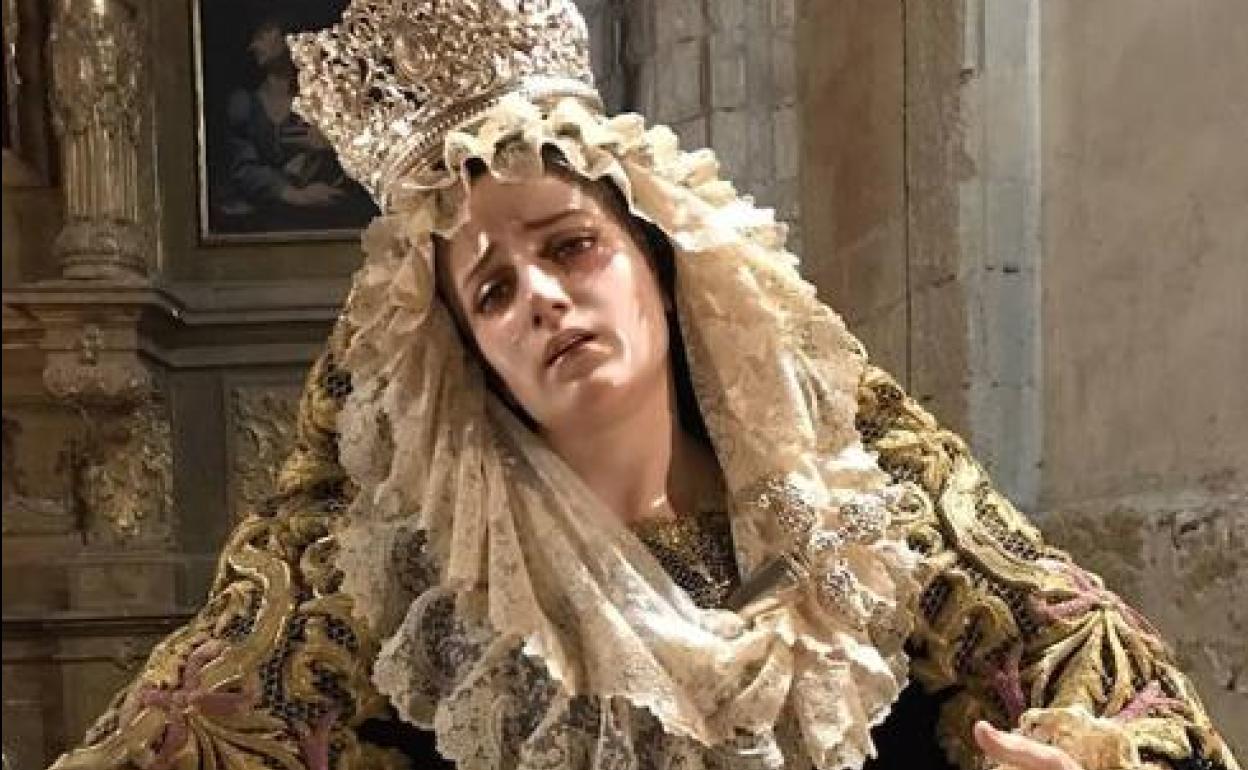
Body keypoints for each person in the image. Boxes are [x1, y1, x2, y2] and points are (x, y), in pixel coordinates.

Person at [50, 3, 1240, 770]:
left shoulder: (869, 510)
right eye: (493, 290)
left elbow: (1123, 690)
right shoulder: (399, 593)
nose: (542, 297)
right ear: (467, 352)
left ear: (662, 264)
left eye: (571, 246)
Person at [212, 18, 374, 232]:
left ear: (289, 34)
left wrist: (332, 145)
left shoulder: (329, 96)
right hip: (264, 227)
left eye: (263, 34)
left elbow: (366, 155)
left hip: (327, 221)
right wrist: (294, 195)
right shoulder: (244, 104)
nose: (253, 46)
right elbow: (244, 168)